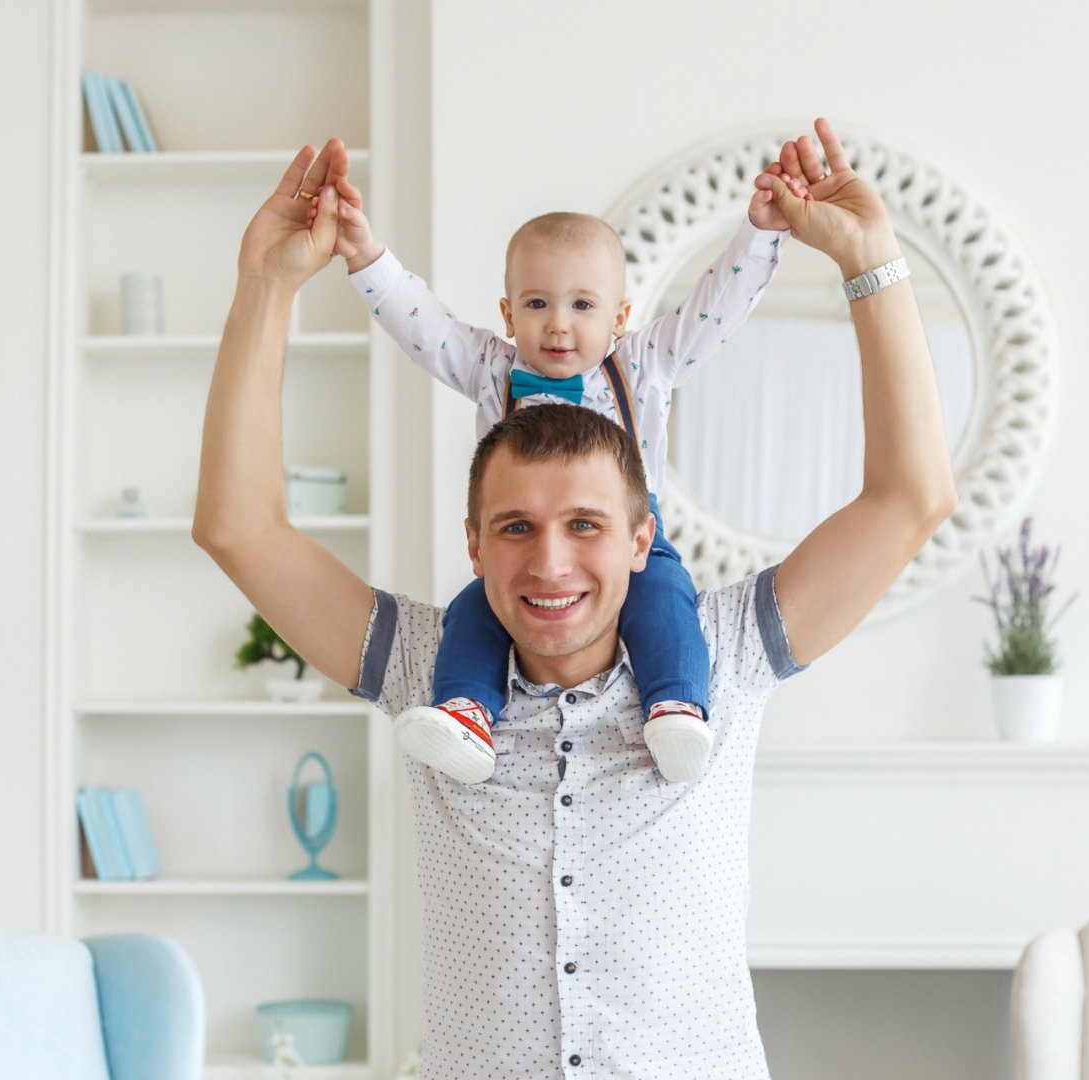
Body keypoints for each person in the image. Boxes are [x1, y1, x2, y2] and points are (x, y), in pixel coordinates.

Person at [194, 119, 957, 1079]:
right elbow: (240, 528)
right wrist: (266, 287)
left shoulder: (724, 651)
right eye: (516, 527)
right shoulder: (427, 672)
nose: (550, 563)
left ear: (644, 537)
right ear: (474, 543)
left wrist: (873, 263)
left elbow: (909, 498)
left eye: (586, 526)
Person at [309, 162, 790, 788]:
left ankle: (674, 706)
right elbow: (420, 326)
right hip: (522, 542)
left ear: (619, 316)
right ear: (509, 314)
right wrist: (364, 254)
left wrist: (758, 236)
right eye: (537, 304)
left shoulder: (644, 364)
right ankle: (469, 714)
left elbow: (714, 312)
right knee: (473, 612)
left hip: (629, 543)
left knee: (666, 601)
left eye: (582, 305)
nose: (558, 323)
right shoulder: (490, 369)